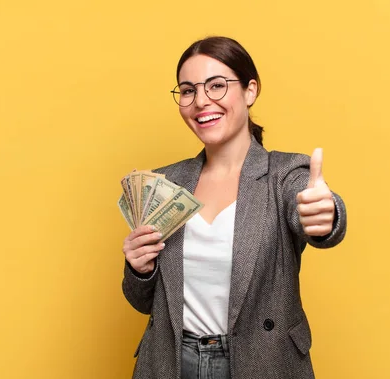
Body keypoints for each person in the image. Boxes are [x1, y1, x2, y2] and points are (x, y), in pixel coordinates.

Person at [121, 36, 347, 379]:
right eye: (187, 90)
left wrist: (327, 215)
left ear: (250, 91)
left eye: (216, 86)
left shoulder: (285, 175)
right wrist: (139, 269)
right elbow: (144, 302)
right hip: (171, 364)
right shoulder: (167, 182)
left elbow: (314, 212)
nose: (201, 102)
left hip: (261, 362)